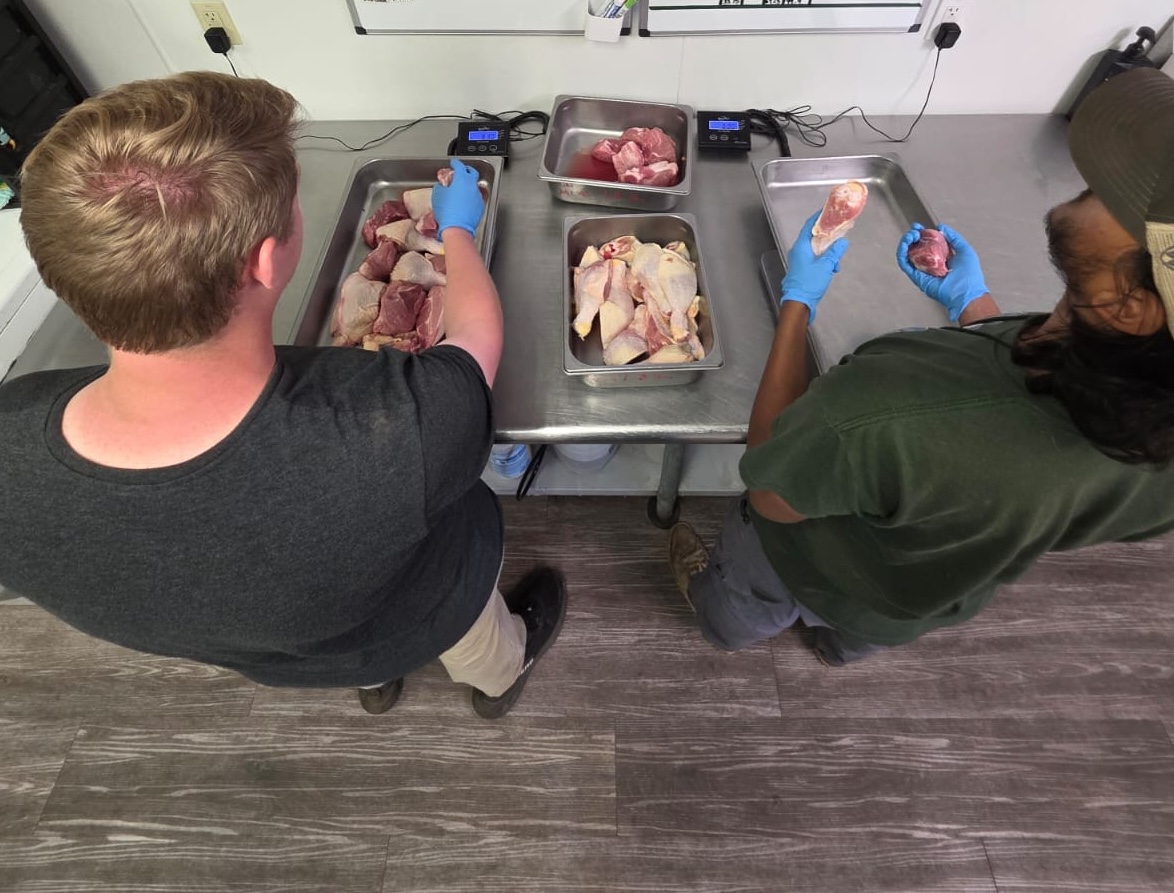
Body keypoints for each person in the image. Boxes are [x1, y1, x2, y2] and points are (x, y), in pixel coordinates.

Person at [0, 71, 566, 718]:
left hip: (274, 654)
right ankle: (499, 679)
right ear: (266, 262)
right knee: (475, 636)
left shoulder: (10, 445)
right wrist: (460, 231)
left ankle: (374, 681)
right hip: (424, 601)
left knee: (324, 626)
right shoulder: (397, 428)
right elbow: (475, 341)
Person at [669, 67, 1174, 666]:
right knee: (853, 634)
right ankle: (834, 648)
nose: (1094, 181)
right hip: (919, 601)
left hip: (795, 561)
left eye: (1121, 196)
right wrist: (975, 308)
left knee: (737, 611)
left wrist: (797, 302)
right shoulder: (1151, 420)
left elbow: (772, 483)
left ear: (1131, 307)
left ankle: (722, 618)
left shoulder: (892, 408)